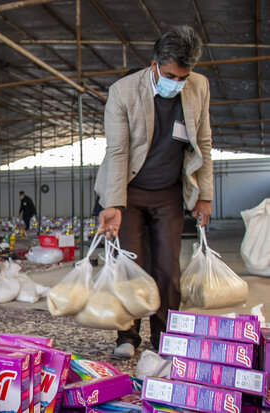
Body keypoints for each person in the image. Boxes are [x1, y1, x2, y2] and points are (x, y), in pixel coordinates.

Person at [95, 26, 213, 359]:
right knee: (130, 263)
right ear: (154, 65)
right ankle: (127, 336)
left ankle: (165, 336)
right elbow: (117, 151)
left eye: (184, 76)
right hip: (129, 191)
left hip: (168, 192)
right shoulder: (123, 92)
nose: (177, 83)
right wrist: (115, 204)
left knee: (167, 268)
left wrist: (205, 195)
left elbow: (203, 143)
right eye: (172, 75)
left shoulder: (199, 87)